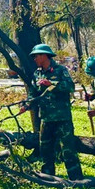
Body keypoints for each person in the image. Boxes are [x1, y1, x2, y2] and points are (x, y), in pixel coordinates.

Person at [20, 44, 83, 180]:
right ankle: (47, 176)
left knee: (68, 150)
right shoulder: (37, 73)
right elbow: (33, 93)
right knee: (45, 149)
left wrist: (52, 85)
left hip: (62, 118)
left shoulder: (60, 70)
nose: (34, 59)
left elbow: (70, 87)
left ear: (44, 55)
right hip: (46, 117)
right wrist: (26, 105)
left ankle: (76, 178)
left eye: (36, 56)